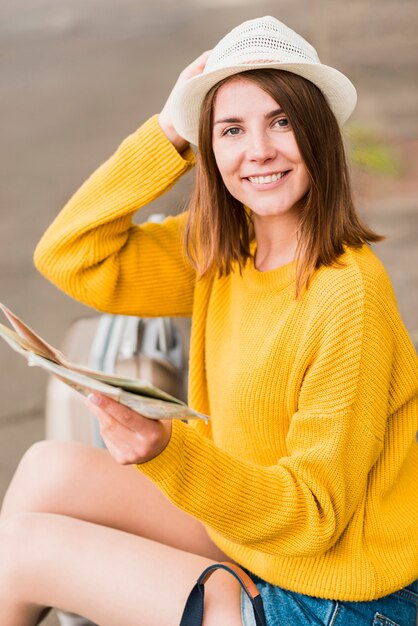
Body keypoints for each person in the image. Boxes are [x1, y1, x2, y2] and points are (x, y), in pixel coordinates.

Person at [0, 15, 417, 626]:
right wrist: (168, 131)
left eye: (282, 121)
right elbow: (71, 256)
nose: (259, 150)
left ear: (319, 133)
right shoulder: (220, 248)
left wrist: (167, 449)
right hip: (262, 542)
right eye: (231, 129)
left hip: (336, 598)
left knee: (22, 552)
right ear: (209, 147)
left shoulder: (347, 296)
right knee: (47, 468)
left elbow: (313, 513)